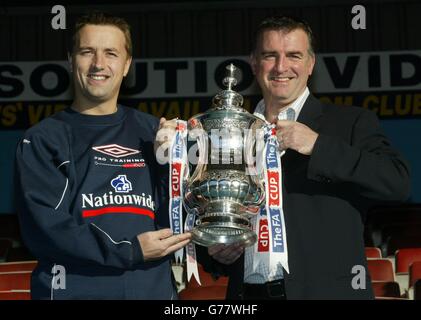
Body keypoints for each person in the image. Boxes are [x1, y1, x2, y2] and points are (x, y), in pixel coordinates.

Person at [159, 15, 411, 299]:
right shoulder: (225, 134)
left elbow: (397, 182)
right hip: (248, 295)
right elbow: (206, 212)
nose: (281, 67)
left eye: (293, 55)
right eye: (270, 55)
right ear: (254, 63)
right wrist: (217, 253)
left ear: (310, 64)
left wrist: (317, 145)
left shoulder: (349, 123)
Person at [14, 12, 191, 300]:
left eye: (111, 53)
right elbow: (46, 229)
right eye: (87, 52)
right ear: (70, 61)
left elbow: (178, 216)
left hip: (152, 292)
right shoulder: (43, 139)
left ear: (126, 65)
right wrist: (129, 250)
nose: (98, 64)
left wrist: (174, 165)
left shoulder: (153, 133)